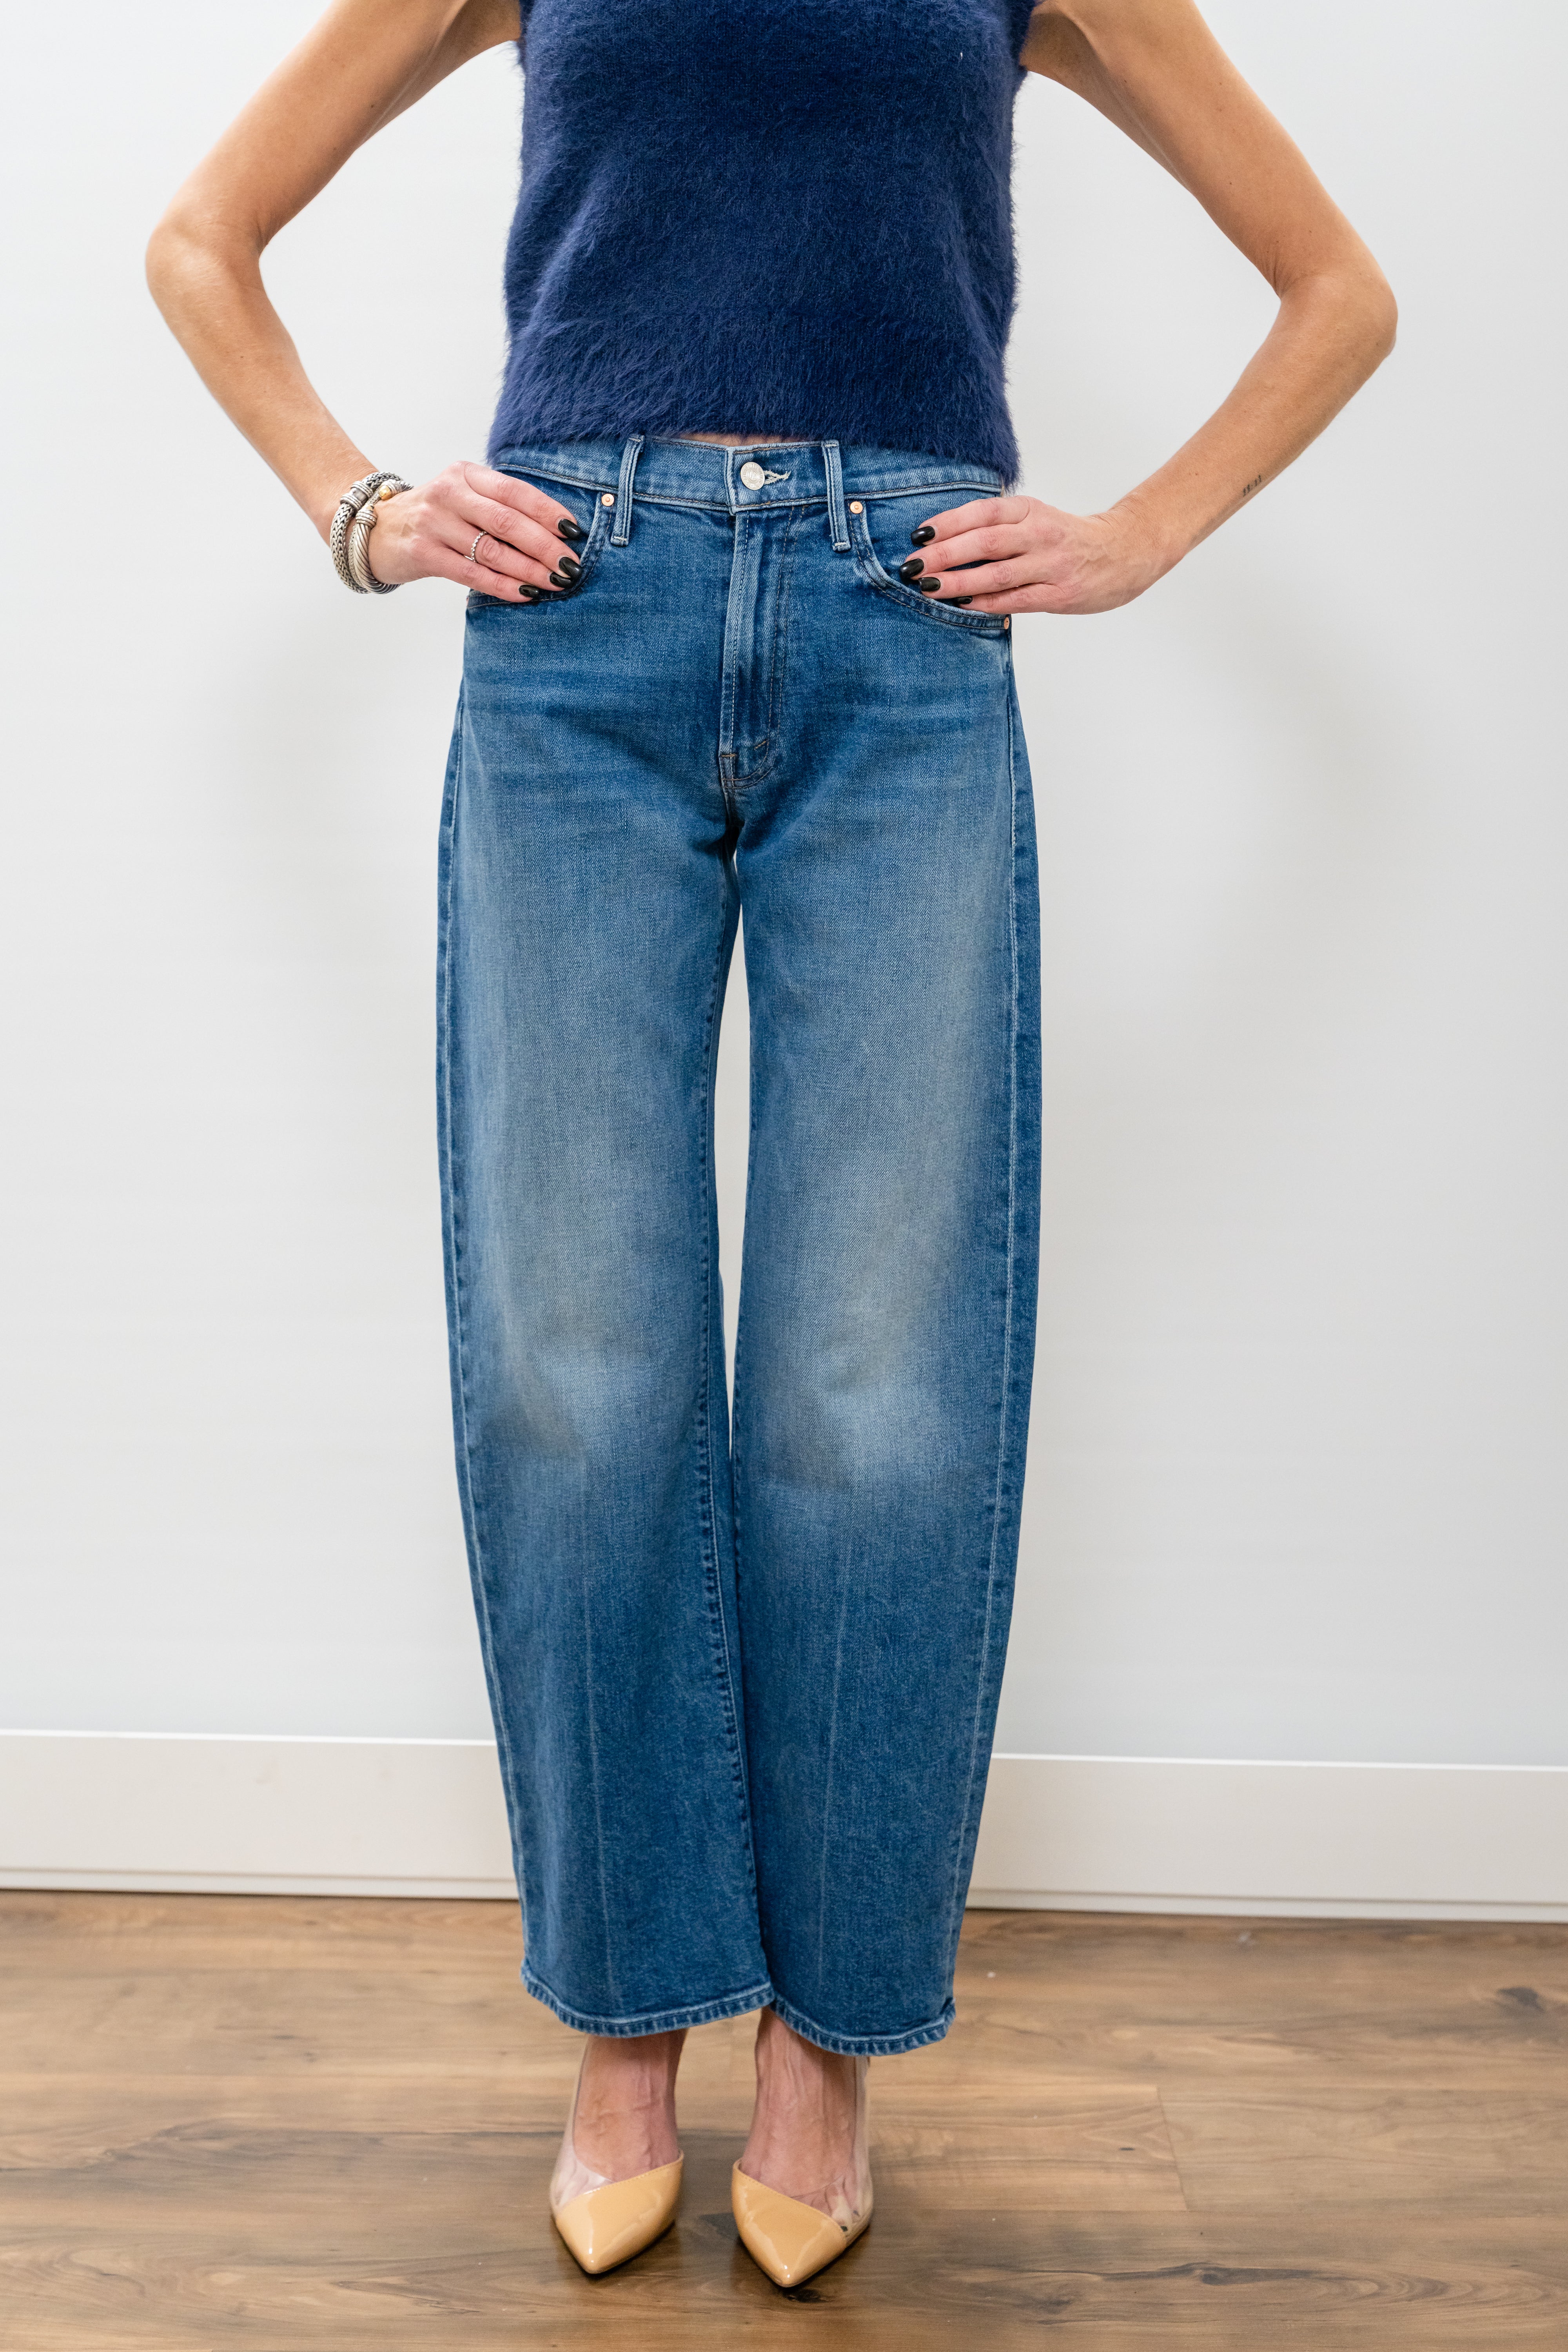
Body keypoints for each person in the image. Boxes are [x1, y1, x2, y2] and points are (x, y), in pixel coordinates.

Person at [148, 0, 1393, 2291]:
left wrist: (1138, 534)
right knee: (575, 1371)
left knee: (877, 1391)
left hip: (908, 640)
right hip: (574, 630)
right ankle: (627, 2025)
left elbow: (1341, 291)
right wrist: (364, 509)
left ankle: (828, 2044)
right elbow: (202, 235)